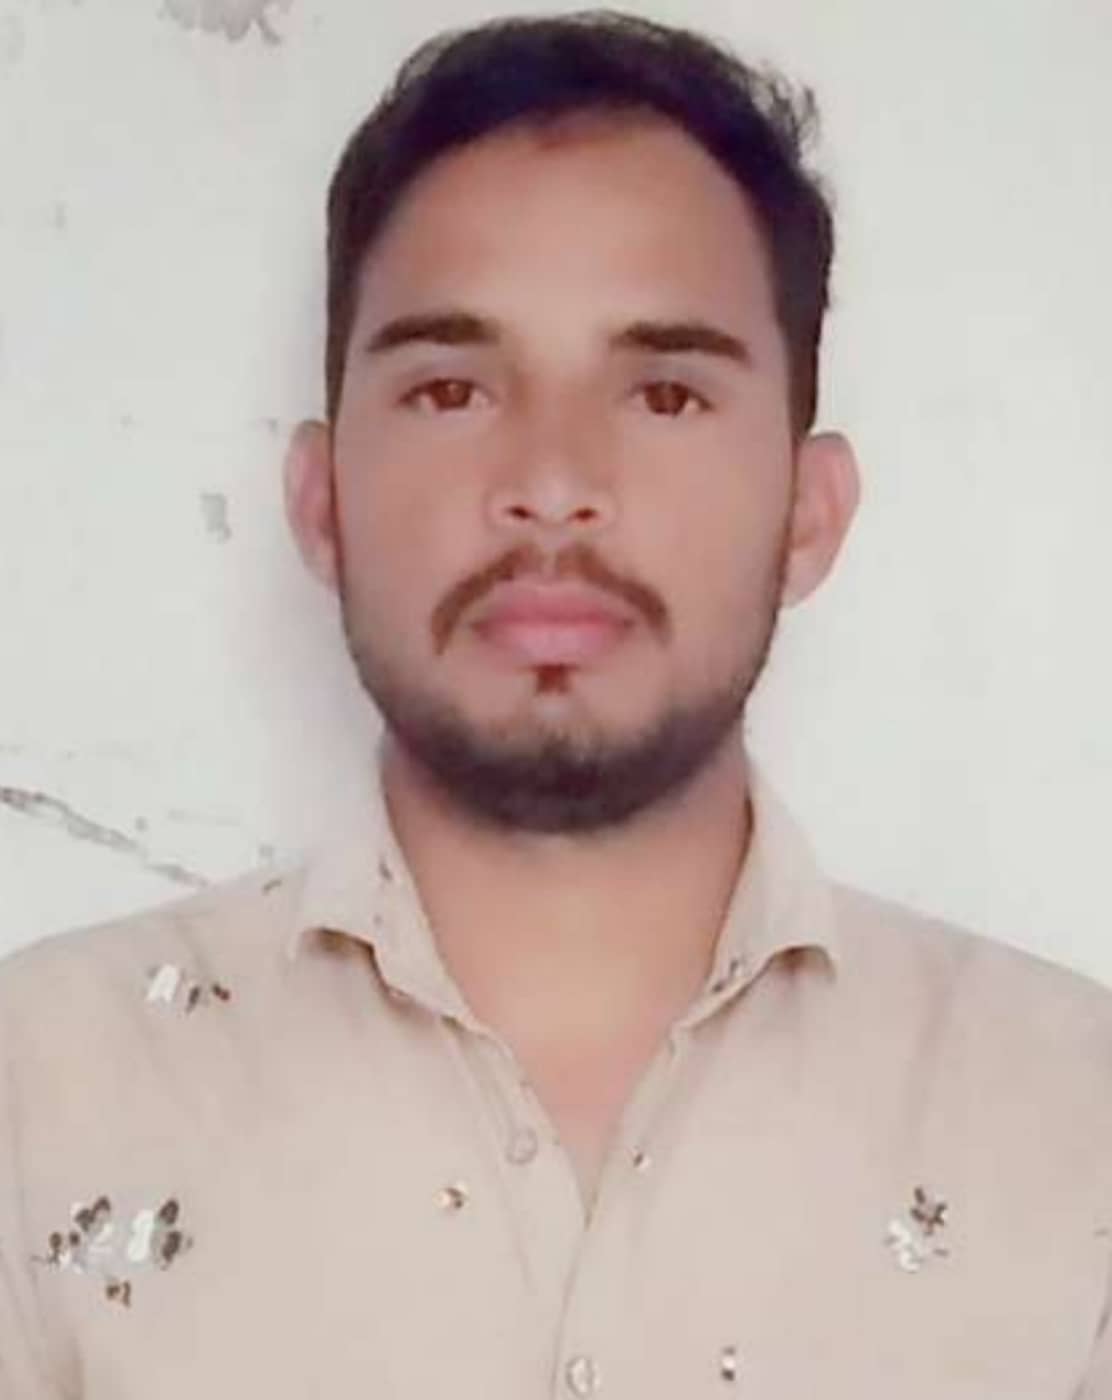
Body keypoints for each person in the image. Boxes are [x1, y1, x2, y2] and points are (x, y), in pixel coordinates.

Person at [2, 10, 1110, 1397]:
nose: (551, 483)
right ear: (322, 500)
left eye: (665, 395)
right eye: (452, 388)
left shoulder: (1076, 1133)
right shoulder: (38, 1100)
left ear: (811, 515)